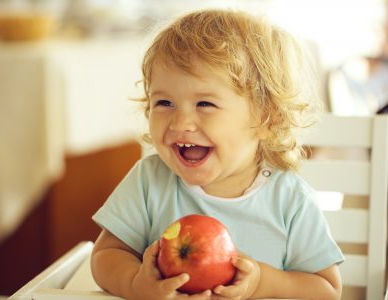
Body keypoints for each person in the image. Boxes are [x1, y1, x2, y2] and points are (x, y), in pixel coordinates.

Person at [91, 9, 344, 300]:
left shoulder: (290, 199)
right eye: (164, 102)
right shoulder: (149, 180)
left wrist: (261, 283)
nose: (180, 123)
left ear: (266, 119)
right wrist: (136, 283)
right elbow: (106, 255)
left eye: (204, 104)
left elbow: (326, 290)